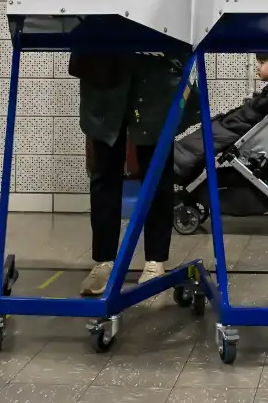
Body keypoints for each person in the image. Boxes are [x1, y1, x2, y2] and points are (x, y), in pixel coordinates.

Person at [74, 51, 191, 296]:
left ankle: (155, 260)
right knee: (104, 173)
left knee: (156, 172)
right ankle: (104, 261)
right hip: (105, 70)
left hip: (155, 68)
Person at [173, 53, 268, 182]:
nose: (257, 66)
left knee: (192, 147)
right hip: (234, 125)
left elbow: (259, 107)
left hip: (234, 126)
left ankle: (177, 167)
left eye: (262, 62)